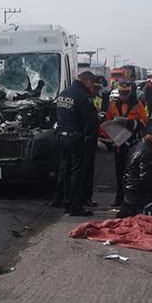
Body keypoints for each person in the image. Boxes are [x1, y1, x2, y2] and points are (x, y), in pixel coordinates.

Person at [55, 71, 97, 216]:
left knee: (64, 170)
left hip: (62, 136)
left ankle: (64, 200)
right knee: (77, 173)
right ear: (87, 81)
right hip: (76, 138)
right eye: (92, 84)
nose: (92, 88)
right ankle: (75, 206)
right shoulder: (83, 96)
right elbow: (91, 121)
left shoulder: (63, 93)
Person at [106, 79, 148, 206]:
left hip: (132, 143)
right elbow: (108, 121)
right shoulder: (113, 105)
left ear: (131, 92)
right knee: (119, 172)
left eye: (126, 93)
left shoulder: (138, 105)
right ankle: (119, 198)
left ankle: (130, 198)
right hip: (118, 143)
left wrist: (129, 123)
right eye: (121, 93)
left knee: (131, 172)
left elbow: (144, 122)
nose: (123, 96)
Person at [117, 125, 152, 218]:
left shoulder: (136, 146)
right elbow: (146, 178)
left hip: (129, 192)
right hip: (138, 196)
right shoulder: (148, 152)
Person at [81, 76, 105, 207]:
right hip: (87, 138)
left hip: (91, 136)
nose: (96, 91)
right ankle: (85, 198)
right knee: (86, 170)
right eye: (95, 88)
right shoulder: (86, 99)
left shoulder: (99, 98)